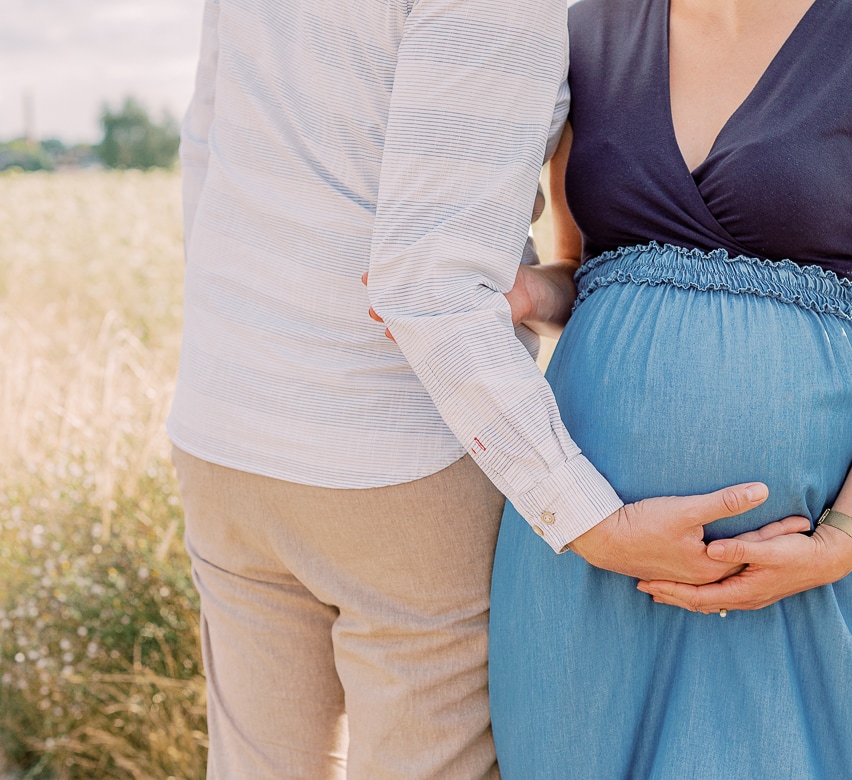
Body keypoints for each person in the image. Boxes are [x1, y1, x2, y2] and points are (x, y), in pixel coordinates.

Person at [169, 0, 770, 776]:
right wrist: (595, 521)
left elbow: (204, 149)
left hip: (225, 428)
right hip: (396, 459)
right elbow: (429, 289)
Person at [488, 0, 852, 776]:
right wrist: (531, 295)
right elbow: (583, 271)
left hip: (808, 572)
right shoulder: (587, 32)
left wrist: (839, 543)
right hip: (594, 552)